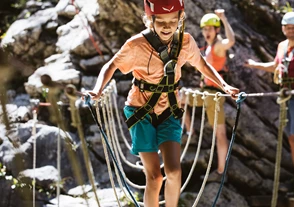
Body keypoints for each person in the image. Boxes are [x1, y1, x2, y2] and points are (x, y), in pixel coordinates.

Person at [86, 0, 239, 206]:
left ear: (179, 20)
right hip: (141, 111)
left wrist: (224, 86)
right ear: (150, 20)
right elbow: (111, 65)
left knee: (174, 172)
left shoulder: (185, 42)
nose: (167, 26)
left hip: (169, 110)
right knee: (155, 177)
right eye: (161, 22)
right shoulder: (136, 44)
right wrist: (97, 89)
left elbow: (202, 64)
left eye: (172, 21)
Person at [244, 11, 294, 193]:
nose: (291, 31)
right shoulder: (282, 46)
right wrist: (255, 64)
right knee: (292, 138)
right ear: (283, 29)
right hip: (285, 96)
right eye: (288, 28)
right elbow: (276, 67)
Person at [181, 9, 235, 182]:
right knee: (178, 96)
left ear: (216, 30)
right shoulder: (209, 48)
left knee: (220, 134)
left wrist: (224, 19)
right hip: (207, 94)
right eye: (204, 30)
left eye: (210, 29)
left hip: (215, 96)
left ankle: (221, 172)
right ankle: (190, 132)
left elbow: (231, 41)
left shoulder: (218, 46)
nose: (207, 33)